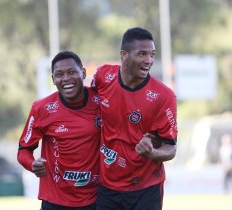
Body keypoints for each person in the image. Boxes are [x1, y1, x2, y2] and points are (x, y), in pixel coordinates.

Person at [91, 27, 178, 210]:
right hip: (108, 186)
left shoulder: (164, 96)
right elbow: (88, 110)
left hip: (146, 187)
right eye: (142, 54)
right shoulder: (102, 76)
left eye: (152, 54)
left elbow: (170, 147)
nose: (149, 60)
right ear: (124, 55)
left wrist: (153, 153)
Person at [17, 51, 101, 210]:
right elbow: (23, 150)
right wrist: (32, 164)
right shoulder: (41, 108)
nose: (66, 79)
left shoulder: (101, 101)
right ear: (53, 79)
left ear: (83, 73)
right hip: (55, 200)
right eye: (60, 74)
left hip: (95, 199)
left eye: (72, 72)